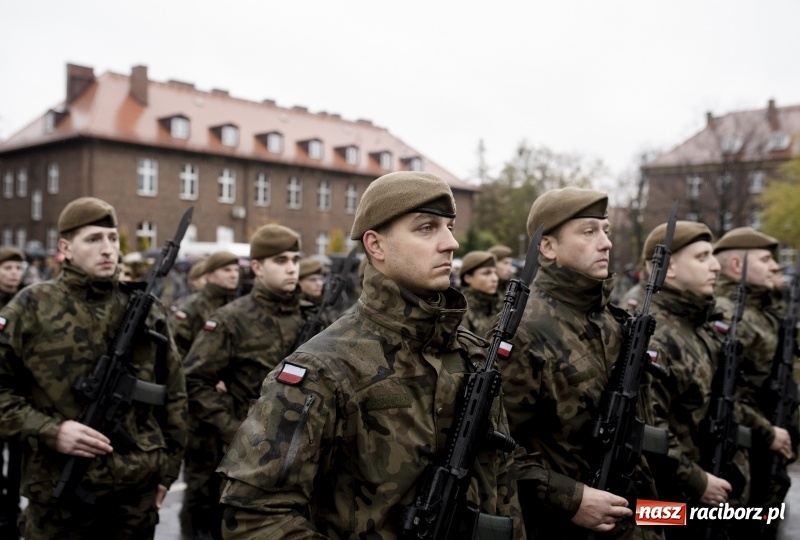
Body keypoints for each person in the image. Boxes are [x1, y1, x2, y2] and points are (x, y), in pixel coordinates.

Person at [216, 171, 523, 539]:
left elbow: (502, 488)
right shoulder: (323, 368)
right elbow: (253, 516)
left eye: (450, 227)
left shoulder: (472, 354)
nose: (451, 243)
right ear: (376, 246)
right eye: (427, 228)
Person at [0, 197, 187, 539]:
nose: (107, 249)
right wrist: (50, 430)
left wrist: (167, 473)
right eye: (93, 239)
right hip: (58, 495)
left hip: (136, 494)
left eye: (113, 239)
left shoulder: (146, 309)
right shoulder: (30, 307)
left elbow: (173, 395)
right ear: (65, 248)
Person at [500, 187, 662, 539]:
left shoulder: (612, 322)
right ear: (548, 247)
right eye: (589, 232)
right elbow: (494, 453)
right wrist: (572, 499)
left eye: (606, 231)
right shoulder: (525, 331)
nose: (605, 243)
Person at [643, 221, 749, 539]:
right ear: (670, 267)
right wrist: (697, 480)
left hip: (701, 489)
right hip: (664, 499)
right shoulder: (657, 335)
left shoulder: (696, 326)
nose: (715, 266)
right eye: (702, 257)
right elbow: (649, 431)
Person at [712, 227, 796, 539]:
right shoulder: (732, 315)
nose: (776, 266)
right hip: (744, 449)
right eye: (765, 260)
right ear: (737, 266)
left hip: (765, 446)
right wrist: (766, 430)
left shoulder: (760, 312)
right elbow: (725, 391)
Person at [171, 250, 240, 540]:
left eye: (236, 270)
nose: (234, 275)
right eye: (226, 270)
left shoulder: (238, 307)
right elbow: (177, 357)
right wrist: (210, 380)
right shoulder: (193, 308)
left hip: (229, 409)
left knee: (227, 487)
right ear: (210, 275)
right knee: (200, 486)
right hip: (199, 410)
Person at [0, 247, 24, 538]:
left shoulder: (27, 300)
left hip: (20, 396)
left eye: (18, 268)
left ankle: (13, 510)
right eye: (8, 268)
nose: (14, 274)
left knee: (19, 460)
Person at [459, 250, 500, 338]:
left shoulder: (498, 307)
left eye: (495, 273)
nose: (495, 278)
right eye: (486, 273)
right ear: (467, 278)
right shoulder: (461, 311)